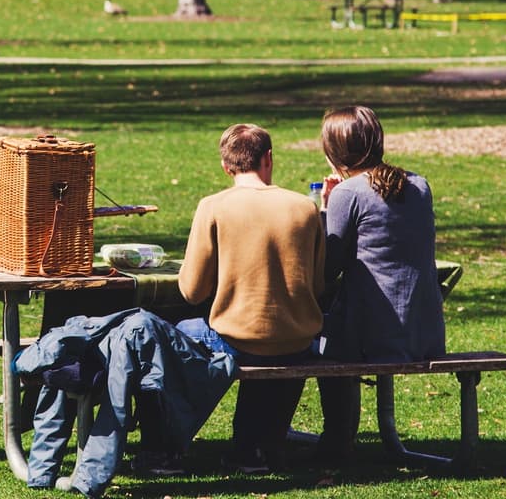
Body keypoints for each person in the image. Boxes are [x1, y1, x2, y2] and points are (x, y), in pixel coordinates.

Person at [177, 123, 325, 472]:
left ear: (226, 167)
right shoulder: (305, 207)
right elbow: (317, 286)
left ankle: (163, 443)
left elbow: (192, 291)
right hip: (297, 339)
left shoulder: (213, 207)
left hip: (237, 339)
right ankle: (256, 445)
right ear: (268, 158)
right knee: (270, 339)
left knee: (180, 331)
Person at [315, 105, 446, 462]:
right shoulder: (419, 185)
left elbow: (328, 269)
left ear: (333, 152)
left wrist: (327, 209)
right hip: (424, 331)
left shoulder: (348, 194)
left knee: (306, 338)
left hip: (372, 336)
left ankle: (335, 439)